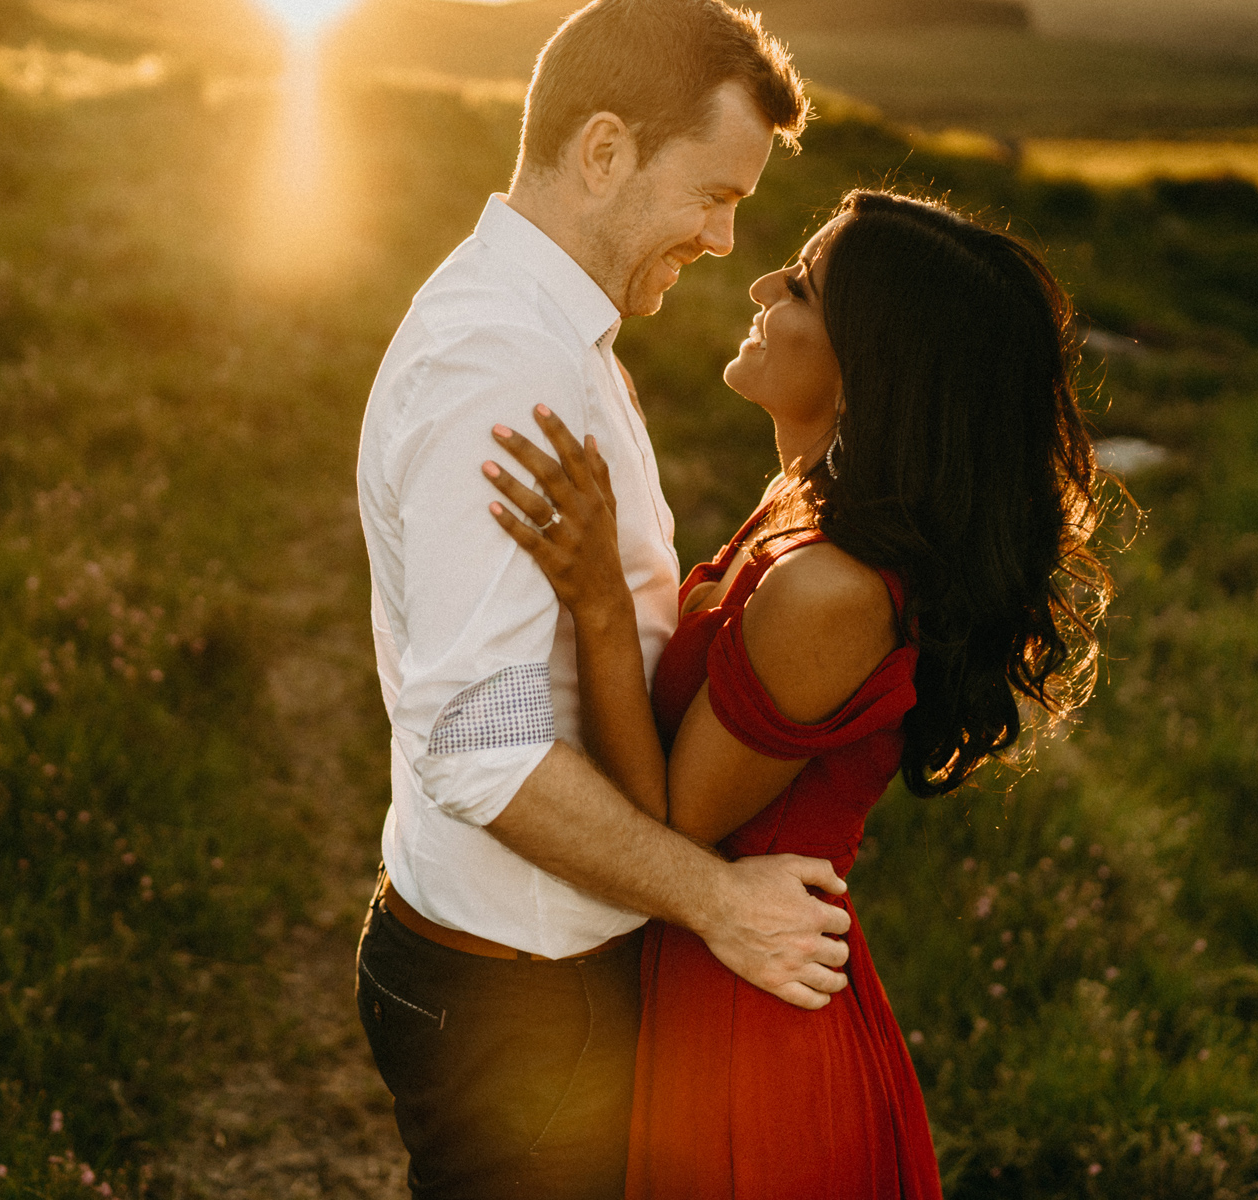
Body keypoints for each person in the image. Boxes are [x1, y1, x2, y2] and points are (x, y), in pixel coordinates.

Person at [483, 189, 1112, 1197]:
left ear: (870, 368)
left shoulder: (831, 591)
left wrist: (600, 598)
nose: (762, 285)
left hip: (746, 1033)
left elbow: (676, 823)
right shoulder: (798, 503)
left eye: (804, 287)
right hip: (700, 978)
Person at [353, 2, 855, 1197]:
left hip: (533, 972)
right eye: (714, 195)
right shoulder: (503, 367)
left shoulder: (555, 336)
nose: (728, 240)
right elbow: (482, 748)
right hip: (520, 1001)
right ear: (603, 150)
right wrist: (715, 902)